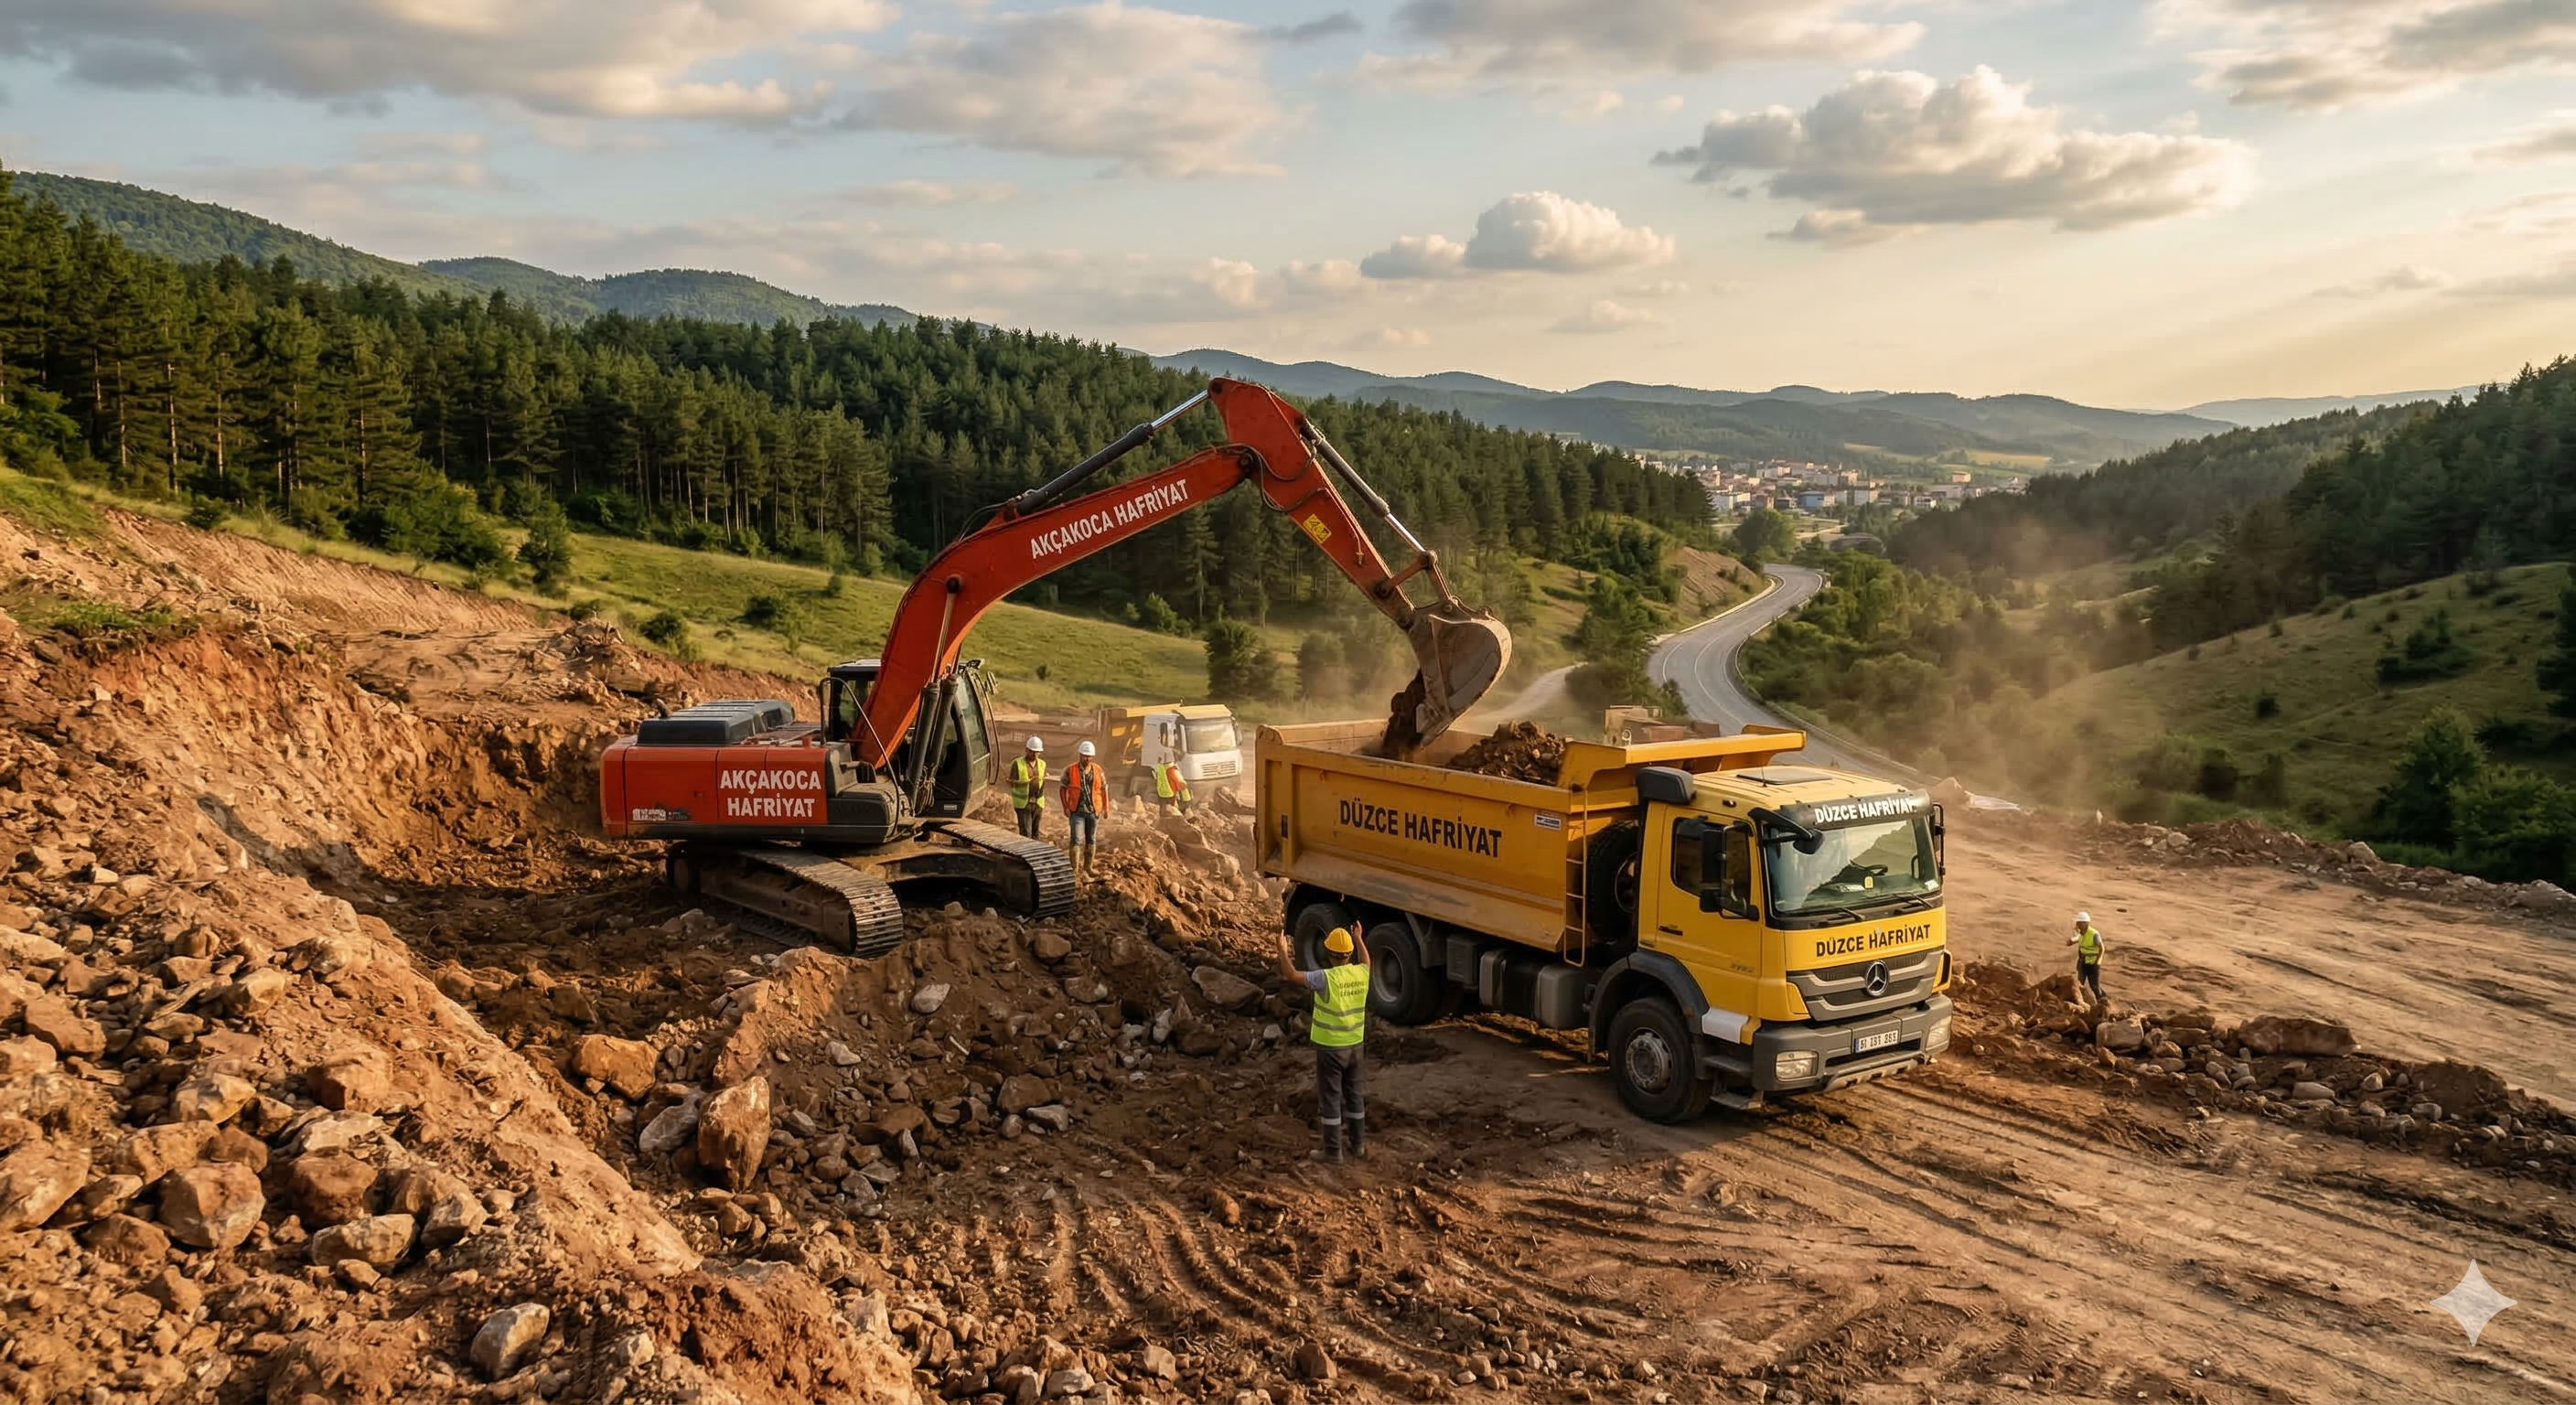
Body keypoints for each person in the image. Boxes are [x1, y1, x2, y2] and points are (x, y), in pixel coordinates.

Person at [1276, 924, 1371, 1163]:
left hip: (1331, 1048)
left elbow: (1291, 975)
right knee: (1355, 1095)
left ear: (1328, 954)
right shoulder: (1362, 973)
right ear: (1349, 954)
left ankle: (1332, 1152)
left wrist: (1282, 950)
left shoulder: (1326, 978)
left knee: (1330, 1098)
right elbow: (1367, 961)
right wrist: (1359, 938)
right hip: (1355, 1046)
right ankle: (1358, 1146)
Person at [1060, 739, 1109, 877]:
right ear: (1079, 755)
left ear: (1092, 757)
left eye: (1089, 756)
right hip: (1077, 812)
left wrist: (1106, 808)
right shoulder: (1070, 770)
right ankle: (1074, 870)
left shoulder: (1098, 770)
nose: (1086, 758)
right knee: (1076, 839)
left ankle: (1088, 868)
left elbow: (1104, 789)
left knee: (1091, 839)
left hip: (1093, 811)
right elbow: (1063, 788)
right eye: (1084, 755)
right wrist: (1065, 807)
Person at [1010, 736, 1048, 841]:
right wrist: (1024, 782)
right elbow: (1011, 782)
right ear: (1027, 750)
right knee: (1026, 833)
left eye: (1037, 752)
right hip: (1023, 803)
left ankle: (1034, 855)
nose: (1035, 755)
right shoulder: (1017, 763)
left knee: (1035, 833)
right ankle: (1023, 855)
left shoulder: (1042, 764)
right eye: (1032, 752)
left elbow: (1043, 781)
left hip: (1038, 803)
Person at [2068, 910, 2105, 1005]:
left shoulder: (2094, 934)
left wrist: (2098, 961)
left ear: (2086, 923)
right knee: (2080, 983)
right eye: (2077, 923)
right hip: (2082, 961)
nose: (2078, 925)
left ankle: (2101, 1002)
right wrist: (2072, 941)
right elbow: (2079, 938)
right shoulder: (2081, 932)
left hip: (2093, 963)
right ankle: (2079, 1002)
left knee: (2094, 986)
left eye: (2080, 923)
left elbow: (2102, 948)